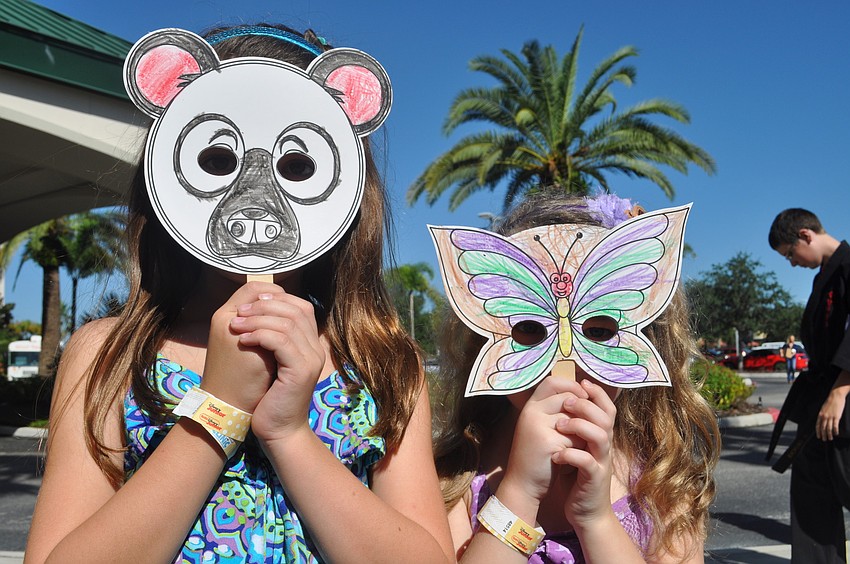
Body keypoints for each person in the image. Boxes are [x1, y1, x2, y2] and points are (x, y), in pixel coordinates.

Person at [24, 24, 453, 563]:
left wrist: (290, 435)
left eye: (297, 166)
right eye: (217, 160)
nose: (254, 198)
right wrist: (219, 408)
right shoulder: (107, 357)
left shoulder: (383, 364)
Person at [432, 193, 721, 563]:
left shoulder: (663, 482)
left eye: (599, 332)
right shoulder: (455, 478)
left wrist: (596, 519)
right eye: (530, 329)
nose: (562, 359)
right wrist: (519, 493)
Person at [767, 208, 850, 563]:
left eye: (789, 253)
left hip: (843, 395)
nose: (791, 262)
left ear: (805, 235)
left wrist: (841, 390)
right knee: (811, 490)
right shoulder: (822, 277)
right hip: (820, 395)